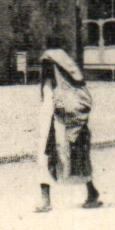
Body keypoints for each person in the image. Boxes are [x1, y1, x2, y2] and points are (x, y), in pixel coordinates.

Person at [34, 49, 101, 212]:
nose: (46, 69)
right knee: (45, 160)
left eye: (50, 65)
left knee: (76, 160)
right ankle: (45, 199)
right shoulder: (49, 83)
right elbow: (45, 104)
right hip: (48, 128)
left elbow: (81, 105)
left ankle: (92, 192)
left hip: (65, 128)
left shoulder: (71, 86)